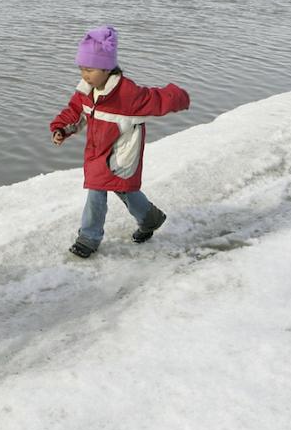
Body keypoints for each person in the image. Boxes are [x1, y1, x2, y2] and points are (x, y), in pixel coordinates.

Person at [50, 26, 190, 258]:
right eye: (81, 69)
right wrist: (61, 129)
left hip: (121, 154)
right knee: (122, 191)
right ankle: (150, 219)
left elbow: (156, 99)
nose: (84, 75)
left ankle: (88, 238)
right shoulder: (86, 92)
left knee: (105, 189)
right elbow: (76, 112)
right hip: (97, 152)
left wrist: (179, 97)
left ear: (106, 68)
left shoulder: (127, 95)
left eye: (90, 69)